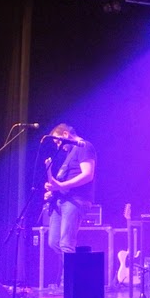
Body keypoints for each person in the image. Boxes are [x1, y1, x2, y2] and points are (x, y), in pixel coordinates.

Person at [43, 123, 97, 287]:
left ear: (65, 134)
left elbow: (88, 175)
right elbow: (61, 183)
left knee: (66, 243)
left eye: (58, 142)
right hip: (61, 201)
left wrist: (61, 185)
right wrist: (53, 189)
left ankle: (68, 284)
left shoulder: (84, 146)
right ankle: (78, 271)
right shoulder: (69, 155)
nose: (59, 146)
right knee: (54, 242)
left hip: (76, 200)